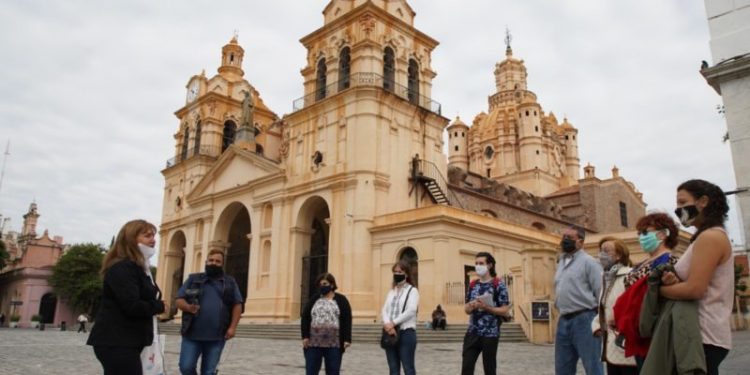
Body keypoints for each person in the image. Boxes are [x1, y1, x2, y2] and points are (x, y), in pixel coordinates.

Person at [660, 179, 734, 375]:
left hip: (702, 334)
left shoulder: (710, 237)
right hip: (699, 334)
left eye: (683, 203)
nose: (678, 209)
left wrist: (659, 290)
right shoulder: (706, 236)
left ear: (703, 202)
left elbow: (695, 288)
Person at [87, 219, 166, 375]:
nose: (153, 240)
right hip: (116, 341)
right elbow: (132, 305)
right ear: (131, 239)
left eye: (153, 235)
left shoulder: (140, 267)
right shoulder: (122, 267)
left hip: (128, 340)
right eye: (147, 236)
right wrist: (159, 306)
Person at [613, 212, 679, 371]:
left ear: (662, 234)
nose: (641, 237)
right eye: (639, 233)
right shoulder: (643, 263)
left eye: (645, 233)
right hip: (637, 328)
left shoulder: (669, 260)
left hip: (653, 328)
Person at [175, 248, 243, 375]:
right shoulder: (193, 279)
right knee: (186, 367)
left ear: (222, 264)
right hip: (192, 334)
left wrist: (232, 327)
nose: (214, 263)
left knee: (209, 371)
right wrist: (188, 307)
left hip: (217, 336)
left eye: (218, 261)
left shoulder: (230, 282)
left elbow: (237, 305)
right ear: (206, 261)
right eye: (211, 260)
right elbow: (179, 299)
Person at [554, 226, 603, 375]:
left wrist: (599, 321)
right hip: (563, 320)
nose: (565, 240)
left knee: (592, 365)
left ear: (580, 242)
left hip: (584, 319)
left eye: (569, 238)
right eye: (564, 237)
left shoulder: (590, 262)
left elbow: (600, 292)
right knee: (562, 368)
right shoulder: (561, 262)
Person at [591, 237, 636, 375]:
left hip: (626, 342)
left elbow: (635, 307)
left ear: (618, 255)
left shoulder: (630, 276)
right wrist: (597, 325)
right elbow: (604, 308)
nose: (601, 254)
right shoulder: (606, 277)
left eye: (606, 251)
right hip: (610, 345)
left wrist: (620, 322)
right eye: (600, 251)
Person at [461, 252, 511, 375]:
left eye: (481, 263)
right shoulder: (473, 284)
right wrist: (471, 306)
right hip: (472, 332)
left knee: (489, 368)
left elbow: (505, 310)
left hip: (490, 333)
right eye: (476, 263)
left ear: (489, 265)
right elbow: (466, 310)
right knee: (466, 367)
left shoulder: (498, 284)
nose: (478, 266)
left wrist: (486, 307)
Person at [301, 273, 353, 375]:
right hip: (314, 343)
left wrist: (347, 338)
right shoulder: (314, 299)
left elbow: (347, 319)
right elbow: (305, 317)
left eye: (325, 284)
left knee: (333, 372)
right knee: (311, 371)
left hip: (334, 344)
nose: (322, 286)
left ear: (332, 285)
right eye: (320, 285)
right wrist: (305, 336)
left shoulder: (341, 299)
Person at [381, 259, 420, 375]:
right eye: (395, 272)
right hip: (390, 333)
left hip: (406, 333)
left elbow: (411, 310)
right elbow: (384, 309)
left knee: (408, 368)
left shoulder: (412, 291)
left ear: (406, 274)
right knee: (393, 369)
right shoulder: (391, 291)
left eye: (400, 272)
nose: (397, 274)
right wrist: (388, 325)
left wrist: (393, 323)